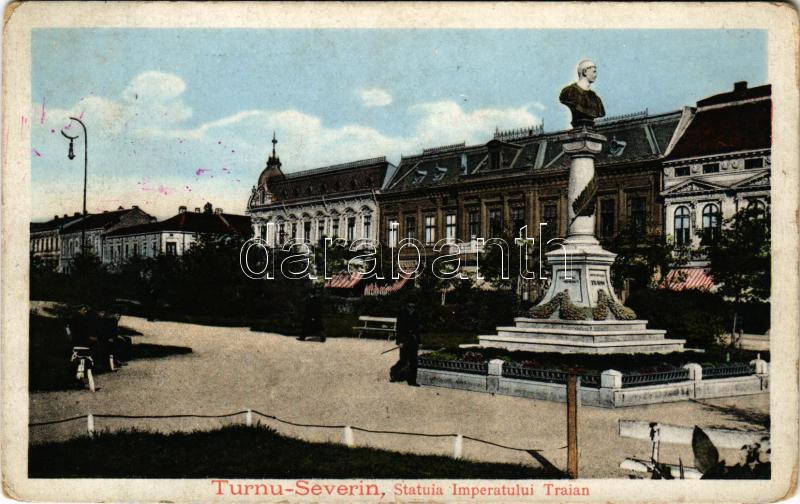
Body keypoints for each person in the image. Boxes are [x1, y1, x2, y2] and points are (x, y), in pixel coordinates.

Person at [559, 59, 606, 128]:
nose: (596, 75)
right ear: (585, 72)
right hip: (579, 127)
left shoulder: (596, 99)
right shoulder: (568, 92)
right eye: (594, 72)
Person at [394, 301, 421, 386]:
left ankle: (412, 381)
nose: (412, 309)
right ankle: (394, 374)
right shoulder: (402, 315)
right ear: (407, 307)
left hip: (413, 341)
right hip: (404, 341)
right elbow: (399, 330)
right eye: (410, 307)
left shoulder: (416, 315)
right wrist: (399, 342)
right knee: (403, 360)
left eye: (413, 307)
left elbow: (418, 330)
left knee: (413, 361)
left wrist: (419, 342)